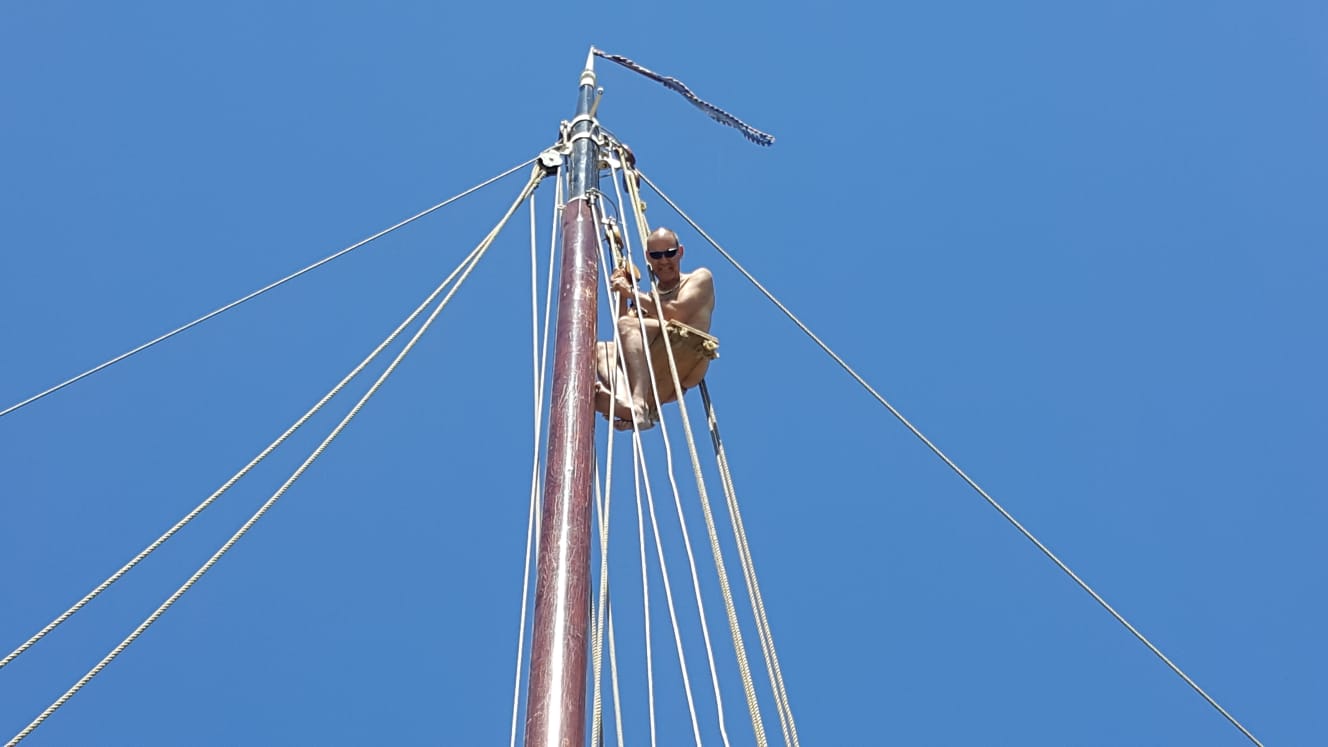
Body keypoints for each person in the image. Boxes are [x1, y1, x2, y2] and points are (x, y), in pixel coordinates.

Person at [595, 227, 715, 431]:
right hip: (655, 372)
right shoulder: (649, 298)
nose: (663, 260)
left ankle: (638, 405)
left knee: (629, 325)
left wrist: (631, 293)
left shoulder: (699, 278)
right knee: (601, 350)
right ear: (648, 258)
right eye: (656, 255)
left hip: (685, 352)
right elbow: (624, 340)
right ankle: (630, 406)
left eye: (669, 253)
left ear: (680, 252)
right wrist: (624, 294)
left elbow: (677, 312)